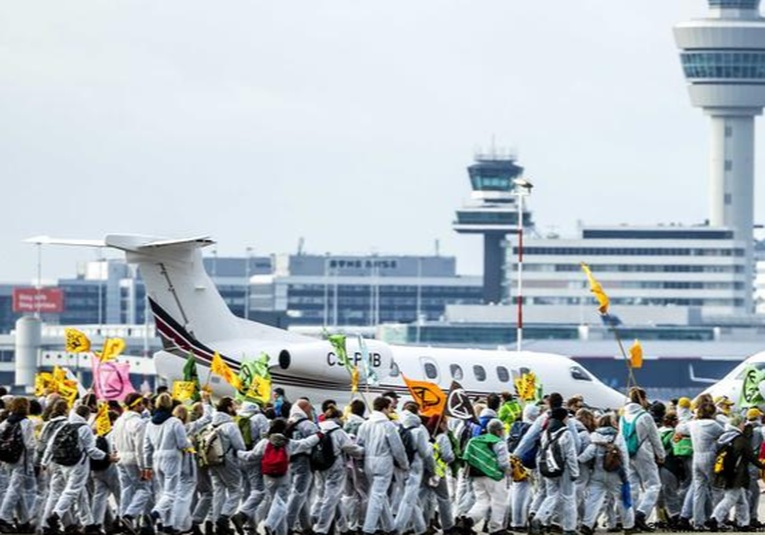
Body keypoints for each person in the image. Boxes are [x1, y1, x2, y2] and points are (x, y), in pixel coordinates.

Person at [44, 404, 117, 535]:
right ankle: (55, 516)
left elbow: (50, 445)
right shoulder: (84, 428)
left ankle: (89, 524)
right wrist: (107, 457)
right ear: (87, 415)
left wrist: (44, 462)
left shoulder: (64, 425)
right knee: (72, 491)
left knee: (81, 495)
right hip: (79, 464)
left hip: (63, 463)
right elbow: (91, 450)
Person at [356, 396, 409, 535]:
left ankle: (390, 527)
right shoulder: (388, 425)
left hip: (368, 462)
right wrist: (404, 464)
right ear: (384, 408)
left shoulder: (365, 424)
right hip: (383, 462)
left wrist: (361, 463)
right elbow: (397, 448)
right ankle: (368, 529)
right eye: (390, 408)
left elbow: (359, 445)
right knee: (378, 495)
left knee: (379, 495)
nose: (391, 411)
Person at [578, 413, 635, 535]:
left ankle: (587, 525)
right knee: (622, 500)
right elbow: (624, 455)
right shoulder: (618, 437)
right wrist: (626, 474)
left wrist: (577, 460)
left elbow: (587, 455)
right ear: (613, 423)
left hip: (597, 474)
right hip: (616, 474)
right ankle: (628, 526)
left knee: (593, 500)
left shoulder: (594, 437)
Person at [143, 392, 192, 535]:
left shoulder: (150, 422)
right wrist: (190, 447)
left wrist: (147, 465)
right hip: (172, 457)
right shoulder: (175, 422)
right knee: (171, 493)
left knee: (163, 493)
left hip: (156, 457)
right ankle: (154, 515)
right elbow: (182, 443)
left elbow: (146, 446)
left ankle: (167, 524)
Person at [707, 414, 765, 531]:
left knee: (741, 500)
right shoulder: (740, 439)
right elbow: (751, 457)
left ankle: (743, 523)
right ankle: (715, 518)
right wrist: (763, 466)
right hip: (735, 474)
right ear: (738, 424)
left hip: (724, 471)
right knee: (731, 498)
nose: (744, 425)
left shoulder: (724, 437)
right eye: (743, 423)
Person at [312, 406, 364, 535]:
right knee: (330, 498)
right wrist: (363, 451)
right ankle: (321, 528)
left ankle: (343, 527)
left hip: (319, 466)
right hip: (335, 467)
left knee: (332, 497)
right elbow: (350, 448)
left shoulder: (317, 428)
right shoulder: (338, 431)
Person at [530, 407, 580, 535]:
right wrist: (575, 472)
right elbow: (570, 455)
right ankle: (569, 528)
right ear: (563, 418)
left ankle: (539, 518)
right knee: (568, 498)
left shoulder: (546, 432)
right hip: (565, 469)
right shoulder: (566, 433)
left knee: (551, 495)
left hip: (549, 467)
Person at [622, 387, 664, 532]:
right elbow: (655, 438)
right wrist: (661, 455)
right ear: (642, 399)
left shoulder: (623, 415)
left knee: (633, 487)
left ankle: (631, 519)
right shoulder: (645, 416)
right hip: (644, 453)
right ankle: (642, 513)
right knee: (653, 485)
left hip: (628, 454)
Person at [461, 419, 511, 535]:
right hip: (495, 476)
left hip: (477, 475)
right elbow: (503, 463)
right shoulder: (499, 442)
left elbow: (467, 458)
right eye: (502, 430)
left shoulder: (475, 440)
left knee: (482, 501)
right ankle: (496, 528)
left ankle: (469, 519)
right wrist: (509, 471)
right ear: (498, 431)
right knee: (499, 502)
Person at [393, 402, 436, 535]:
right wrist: (430, 445)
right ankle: (397, 529)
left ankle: (420, 528)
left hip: (399, 467)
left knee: (412, 499)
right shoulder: (418, 431)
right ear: (417, 413)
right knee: (408, 500)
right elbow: (425, 453)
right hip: (415, 468)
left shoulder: (397, 428)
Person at [113, 392, 150, 534]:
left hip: (120, 458)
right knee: (144, 490)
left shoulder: (118, 421)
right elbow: (141, 448)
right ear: (137, 405)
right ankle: (130, 515)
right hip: (134, 460)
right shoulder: (139, 423)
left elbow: (113, 442)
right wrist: (144, 467)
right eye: (142, 404)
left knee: (126, 490)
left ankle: (124, 520)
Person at [208, 397, 246, 535]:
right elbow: (239, 446)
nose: (236, 408)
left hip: (212, 460)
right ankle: (224, 518)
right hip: (227, 460)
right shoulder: (230, 425)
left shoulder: (212, 424)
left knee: (218, 490)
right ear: (229, 408)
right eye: (234, 406)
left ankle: (217, 523)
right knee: (236, 490)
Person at [0, 397, 37, 534]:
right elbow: (29, 444)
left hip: (6, 460)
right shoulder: (26, 423)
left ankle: (24, 521)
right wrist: (34, 460)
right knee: (14, 489)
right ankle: (3, 517)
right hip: (21, 460)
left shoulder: (6, 422)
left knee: (17, 490)